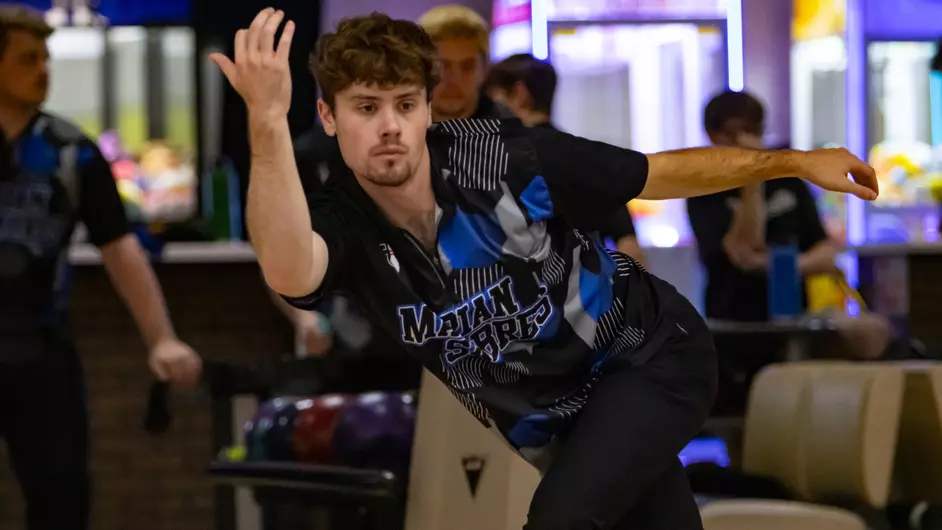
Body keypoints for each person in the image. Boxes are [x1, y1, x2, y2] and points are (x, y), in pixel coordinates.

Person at [210, 10, 878, 529]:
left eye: (404, 105)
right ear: (327, 116)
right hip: (559, 420)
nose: (389, 127)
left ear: (426, 107)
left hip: (649, 358)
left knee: (561, 522)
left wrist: (792, 162)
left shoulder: (499, 156)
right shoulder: (345, 221)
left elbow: (657, 171)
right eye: (365, 108)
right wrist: (266, 122)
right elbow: (291, 272)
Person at [0, 6, 202, 529]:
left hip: (42, 354)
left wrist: (162, 338)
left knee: (63, 500)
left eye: (45, 57)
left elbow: (120, 248)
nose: (43, 69)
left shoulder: (71, 152)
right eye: (27, 59)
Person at [485, 53, 647, 266]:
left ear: (519, 94)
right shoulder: (589, 161)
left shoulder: (497, 164)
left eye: (493, 99)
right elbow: (632, 252)